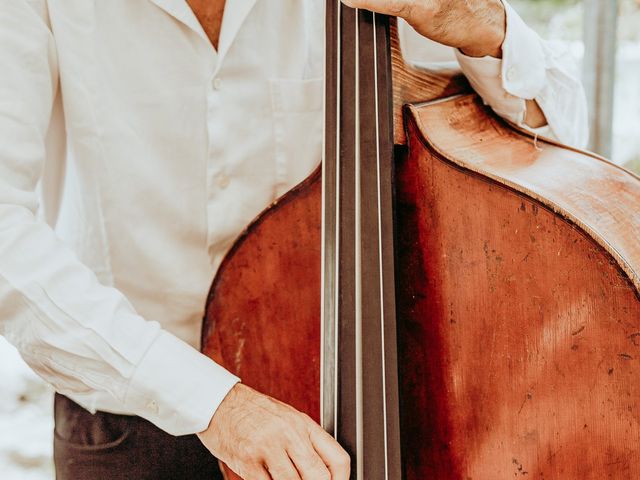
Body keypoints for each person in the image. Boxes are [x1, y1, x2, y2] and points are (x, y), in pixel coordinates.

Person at [0, 0, 587, 478]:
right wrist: (215, 403)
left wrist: (486, 30)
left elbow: (562, 152)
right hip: (128, 407)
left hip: (372, 399)